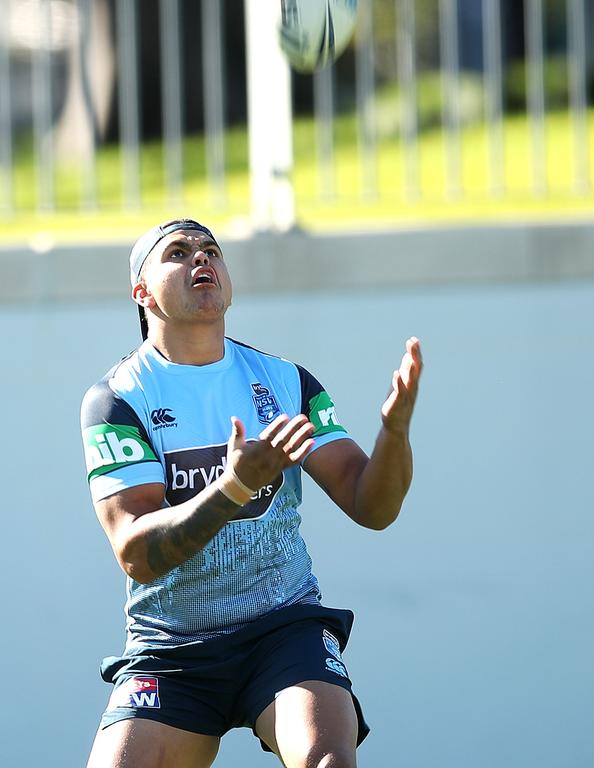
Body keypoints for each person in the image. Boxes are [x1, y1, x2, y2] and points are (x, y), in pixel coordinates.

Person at [80, 218, 423, 768]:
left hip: (283, 630)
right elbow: (137, 554)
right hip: (171, 649)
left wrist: (395, 433)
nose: (200, 259)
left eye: (211, 250)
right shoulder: (117, 399)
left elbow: (372, 506)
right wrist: (235, 486)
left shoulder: (285, 381)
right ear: (141, 293)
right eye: (177, 252)